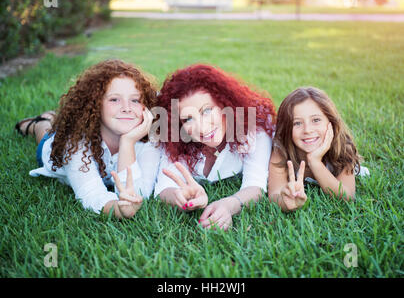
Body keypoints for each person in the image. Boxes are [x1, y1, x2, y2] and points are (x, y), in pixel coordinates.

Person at [15, 59, 161, 219]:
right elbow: (91, 194)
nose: (126, 108)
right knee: (46, 132)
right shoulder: (75, 143)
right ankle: (39, 123)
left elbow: (139, 192)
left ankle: (49, 117)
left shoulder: (149, 139)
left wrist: (128, 142)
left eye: (135, 100)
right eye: (114, 99)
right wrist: (118, 210)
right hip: (55, 150)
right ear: (95, 104)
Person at [154, 64, 276, 230]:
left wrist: (228, 205)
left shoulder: (254, 129)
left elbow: (255, 185)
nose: (202, 128)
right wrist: (179, 197)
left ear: (225, 103)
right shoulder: (177, 138)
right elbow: (164, 186)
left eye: (207, 111)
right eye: (188, 119)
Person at [268, 87, 369, 212]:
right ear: (287, 128)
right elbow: (274, 193)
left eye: (316, 120)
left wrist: (314, 161)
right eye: (297, 123)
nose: (307, 130)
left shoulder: (343, 147)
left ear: (331, 122)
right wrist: (285, 203)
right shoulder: (281, 150)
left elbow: (347, 197)